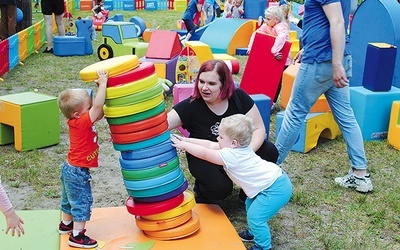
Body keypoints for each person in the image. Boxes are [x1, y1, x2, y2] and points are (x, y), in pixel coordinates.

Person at [274, 0, 374, 193]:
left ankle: (268, 168)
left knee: (294, 114)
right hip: (334, 57)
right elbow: (326, 21)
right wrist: (309, 49)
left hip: (322, 61)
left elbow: (337, 22)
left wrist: (335, 64)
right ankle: (361, 175)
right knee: (346, 117)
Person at [171, 114, 292, 250]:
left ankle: (263, 246)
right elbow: (210, 144)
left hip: (275, 188)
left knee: (256, 217)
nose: (218, 139)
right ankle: (254, 233)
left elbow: (205, 153)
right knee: (250, 204)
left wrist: (185, 146)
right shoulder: (238, 149)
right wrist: (186, 141)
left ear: (233, 143)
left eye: (221, 137)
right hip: (274, 182)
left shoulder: (232, 156)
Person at [167, 59, 279, 203]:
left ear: (224, 84)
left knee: (269, 150)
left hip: (237, 151)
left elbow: (259, 128)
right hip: (206, 155)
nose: (204, 88)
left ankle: (248, 193)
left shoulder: (238, 97)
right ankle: (204, 192)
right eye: (201, 82)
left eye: (212, 83)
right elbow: (161, 124)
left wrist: (244, 155)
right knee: (220, 189)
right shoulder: (190, 106)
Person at [57, 69, 108, 249]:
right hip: (77, 171)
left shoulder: (78, 120)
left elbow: (98, 112)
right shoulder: (81, 122)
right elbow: (98, 108)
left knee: (68, 199)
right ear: (77, 114)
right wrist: (103, 84)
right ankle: (77, 236)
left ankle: (66, 224)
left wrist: (100, 96)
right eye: (88, 107)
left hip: (70, 167)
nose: (91, 108)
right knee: (81, 201)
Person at [247, 6, 291, 111]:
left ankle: (273, 102)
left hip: (282, 60)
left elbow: (281, 37)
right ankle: (263, 98)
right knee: (267, 78)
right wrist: (251, 47)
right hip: (272, 58)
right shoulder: (268, 25)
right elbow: (256, 34)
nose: (266, 21)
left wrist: (275, 50)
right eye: (265, 18)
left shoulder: (280, 26)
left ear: (276, 19)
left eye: (268, 19)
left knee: (277, 82)